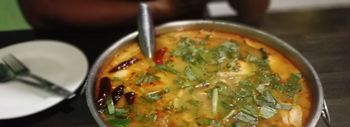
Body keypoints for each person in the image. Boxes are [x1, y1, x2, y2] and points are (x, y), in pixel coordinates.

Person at [18, 0, 269, 30]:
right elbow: (40, 11)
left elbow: (254, 11)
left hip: (189, 34)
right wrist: (161, 8)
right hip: (82, 42)